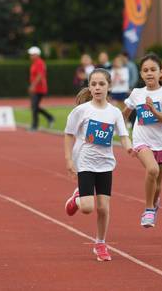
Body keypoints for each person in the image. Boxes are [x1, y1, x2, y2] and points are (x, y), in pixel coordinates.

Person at [63, 68, 133, 261]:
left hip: (105, 164)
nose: (97, 87)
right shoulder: (82, 110)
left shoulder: (115, 113)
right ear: (89, 87)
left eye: (101, 84)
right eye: (93, 84)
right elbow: (69, 134)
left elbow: (124, 136)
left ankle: (100, 244)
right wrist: (69, 159)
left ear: (109, 87)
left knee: (103, 208)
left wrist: (129, 148)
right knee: (87, 208)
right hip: (85, 162)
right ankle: (77, 198)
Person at [122, 53, 162, 228]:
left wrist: (153, 110)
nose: (149, 73)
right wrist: (115, 123)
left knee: (158, 185)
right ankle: (148, 209)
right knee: (151, 170)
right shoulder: (137, 93)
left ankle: (154, 202)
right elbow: (124, 114)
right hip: (141, 140)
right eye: (145, 70)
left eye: (153, 69)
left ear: (161, 72)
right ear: (141, 74)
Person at [27, 46, 54, 131]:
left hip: (40, 89)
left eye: (32, 54)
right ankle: (50, 117)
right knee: (34, 106)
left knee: (34, 107)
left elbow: (40, 75)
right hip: (36, 89)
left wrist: (33, 85)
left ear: (37, 55)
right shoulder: (35, 63)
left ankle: (34, 126)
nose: (30, 56)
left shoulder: (39, 63)